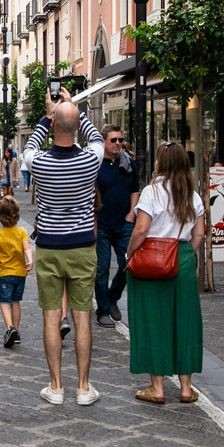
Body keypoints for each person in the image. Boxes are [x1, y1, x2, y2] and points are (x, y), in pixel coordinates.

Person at [23, 89, 104, 406]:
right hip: (83, 245)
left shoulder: (40, 163)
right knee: (82, 316)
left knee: (51, 316)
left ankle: (55, 386)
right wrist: (75, 108)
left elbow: (29, 146)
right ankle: (83, 387)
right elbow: (95, 137)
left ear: (54, 125)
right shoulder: (91, 160)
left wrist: (49, 114)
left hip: (50, 246)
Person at [126, 141, 205, 405]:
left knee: (152, 319)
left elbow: (141, 229)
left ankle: (157, 387)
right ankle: (186, 387)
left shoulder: (152, 192)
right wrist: (186, 254)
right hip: (182, 257)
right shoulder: (193, 195)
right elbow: (199, 234)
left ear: (161, 163)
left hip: (152, 258)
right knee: (185, 321)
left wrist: (130, 254)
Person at [95, 126, 139, 328]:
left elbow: (134, 190)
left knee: (127, 265)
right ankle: (103, 310)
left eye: (120, 139)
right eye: (113, 140)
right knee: (102, 268)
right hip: (102, 224)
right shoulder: (95, 165)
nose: (118, 143)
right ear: (103, 141)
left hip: (124, 223)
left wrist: (132, 213)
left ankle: (113, 297)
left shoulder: (128, 163)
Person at [0, 197, 33, 348]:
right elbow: (27, 248)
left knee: (4, 302)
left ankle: (10, 328)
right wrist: (30, 260)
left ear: (0, 216)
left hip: (5, 274)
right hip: (20, 274)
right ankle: (17, 331)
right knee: (16, 302)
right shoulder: (22, 232)